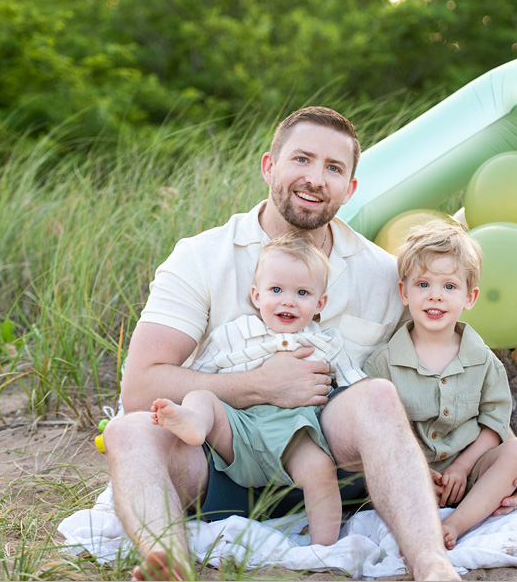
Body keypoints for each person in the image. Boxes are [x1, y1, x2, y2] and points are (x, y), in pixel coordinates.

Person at [103, 106, 517, 581]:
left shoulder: (381, 274)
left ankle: (431, 563)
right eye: (302, 160)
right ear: (269, 166)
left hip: (337, 471)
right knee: (129, 431)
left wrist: (508, 459)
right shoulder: (202, 257)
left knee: (375, 394)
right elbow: (140, 386)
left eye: (333, 168)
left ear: (350, 189)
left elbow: (449, 367)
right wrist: (259, 385)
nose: (315, 179)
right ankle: (170, 562)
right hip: (221, 463)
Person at [150, 231, 367, 546]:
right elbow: (198, 373)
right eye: (276, 289)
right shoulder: (234, 334)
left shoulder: (325, 342)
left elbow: (357, 385)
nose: (288, 300)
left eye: (302, 292)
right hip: (238, 426)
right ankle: (194, 423)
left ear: (320, 303)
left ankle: (323, 547)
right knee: (201, 396)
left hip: (294, 431)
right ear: (256, 295)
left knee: (320, 470)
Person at [364, 220, 517, 549]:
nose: (435, 296)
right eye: (423, 284)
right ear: (404, 292)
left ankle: (458, 523)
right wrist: (416, 469)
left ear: (470, 297)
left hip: (470, 469)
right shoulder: (383, 362)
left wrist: (462, 466)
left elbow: (494, 421)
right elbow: (378, 431)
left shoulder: (484, 361)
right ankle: (421, 519)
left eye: (449, 287)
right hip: (409, 472)